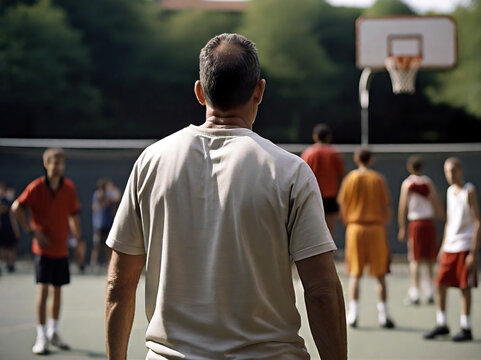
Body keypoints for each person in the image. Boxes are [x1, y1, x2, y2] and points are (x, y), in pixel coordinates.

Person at [105, 33, 347, 360]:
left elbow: (119, 285)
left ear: (199, 92)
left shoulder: (151, 162)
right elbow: (321, 291)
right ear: (259, 90)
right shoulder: (290, 171)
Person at [11, 148, 84, 355]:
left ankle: (53, 331)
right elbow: (17, 208)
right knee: (43, 291)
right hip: (42, 250)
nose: (59, 166)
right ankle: (41, 336)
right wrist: (32, 232)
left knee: (58, 291)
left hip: (61, 249)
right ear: (46, 164)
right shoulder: (36, 187)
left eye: (61, 162)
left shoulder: (69, 188)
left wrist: (78, 241)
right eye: (55, 162)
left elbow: (73, 216)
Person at [337, 147, 395, 329]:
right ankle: (383, 316)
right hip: (376, 229)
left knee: (355, 272)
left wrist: (349, 221)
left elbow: (342, 204)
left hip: (355, 228)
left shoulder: (350, 179)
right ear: (371, 159)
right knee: (380, 275)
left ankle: (353, 315)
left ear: (356, 159)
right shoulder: (378, 179)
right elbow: (386, 206)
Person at [424, 157, 480, 342]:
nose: (451, 174)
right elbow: (449, 220)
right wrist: (443, 247)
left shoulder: (469, 190)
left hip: (465, 246)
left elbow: (478, 221)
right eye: (448, 171)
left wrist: (473, 252)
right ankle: (442, 324)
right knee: (440, 284)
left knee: (464, 287)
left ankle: (466, 327)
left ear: (461, 170)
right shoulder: (449, 191)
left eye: (454, 170)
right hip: (450, 246)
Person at [398, 155, 443, 305]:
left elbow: (403, 206)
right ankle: (430, 290)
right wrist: (440, 214)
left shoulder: (407, 183)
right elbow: (436, 201)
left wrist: (402, 227)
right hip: (428, 223)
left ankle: (415, 292)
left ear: (410, 168)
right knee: (429, 258)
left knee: (415, 258)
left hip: (416, 224)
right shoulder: (428, 182)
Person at [301, 124, 345, 236]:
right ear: (328, 137)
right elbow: (341, 176)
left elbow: (302, 176)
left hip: (313, 194)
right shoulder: (333, 153)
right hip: (331, 195)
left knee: (313, 230)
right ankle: (330, 253)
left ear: (315, 136)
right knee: (329, 230)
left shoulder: (308, 153)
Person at [90, 178, 120, 269]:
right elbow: (101, 204)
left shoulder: (108, 195)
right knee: (97, 246)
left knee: (109, 246)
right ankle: (93, 264)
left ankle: (109, 264)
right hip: (100, 225)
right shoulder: (99, 195)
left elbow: (118, 196)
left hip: (107, 225)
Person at [0, 182, 20, 273]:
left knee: (10, 247)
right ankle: (6, 263)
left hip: (8, 228)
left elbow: (13, 216)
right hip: (3, 228)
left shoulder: (9, 201)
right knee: (4, 248)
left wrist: (15, 229)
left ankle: (10, 264)